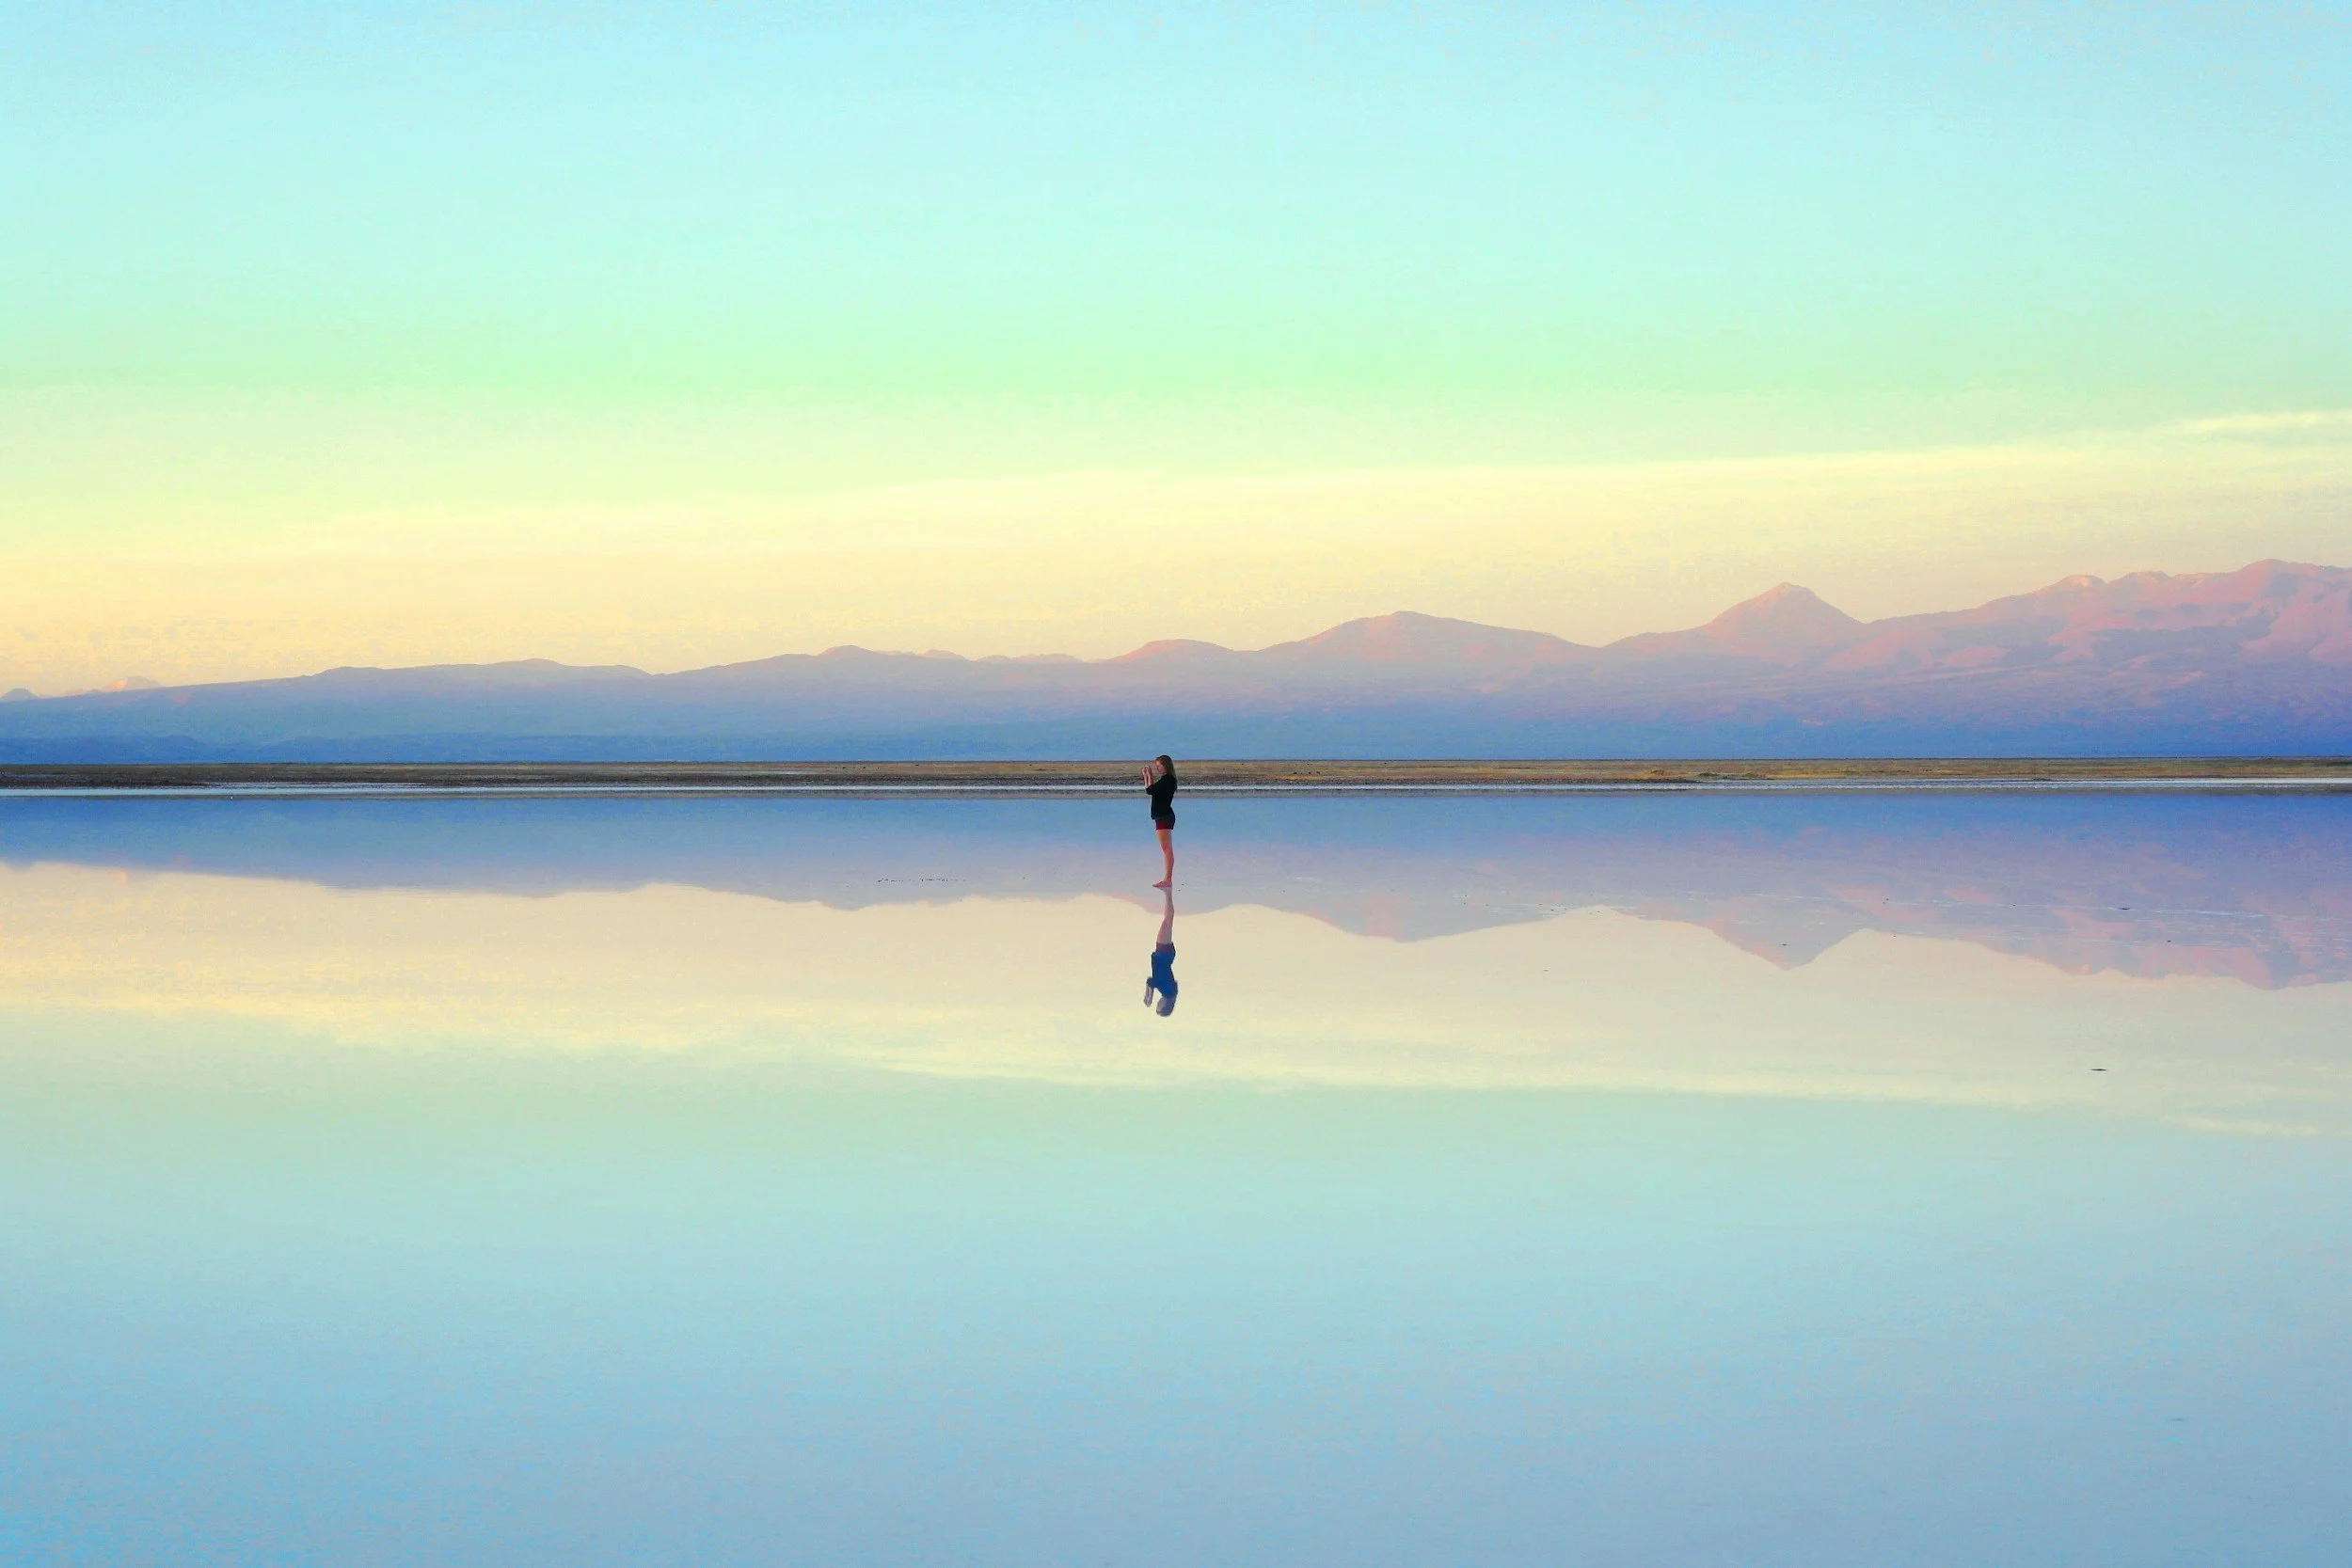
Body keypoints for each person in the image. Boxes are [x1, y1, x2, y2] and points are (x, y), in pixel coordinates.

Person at [1141, 753, 1177, 887]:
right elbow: (1150, 791)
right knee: (1166, 848)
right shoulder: (1165, 780)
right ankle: (1167, 879)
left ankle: (1168, 879)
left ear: (1165, 765)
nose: (1158, 769)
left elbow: (1150, 790)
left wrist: (1148, 775)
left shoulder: (1168, 780)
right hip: (1161, 816)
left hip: (1164, 816)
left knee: (1167, 849)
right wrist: (1147, 775)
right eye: (1156, 767)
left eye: (1159, 766)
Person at [1144, 885, 1179, 1017]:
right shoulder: (1168, 991)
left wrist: (1148, 996)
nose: (1157, 1005)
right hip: (1164, 955)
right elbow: (1152, 982)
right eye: (1159, 1007)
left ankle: (1167, 892)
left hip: (1164, 955)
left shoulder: (1166, 991)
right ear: (1165, 1006)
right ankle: (1168, 892)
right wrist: (1149, 997)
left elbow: (1151, 981)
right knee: (1167, 921)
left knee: (1167, 921)